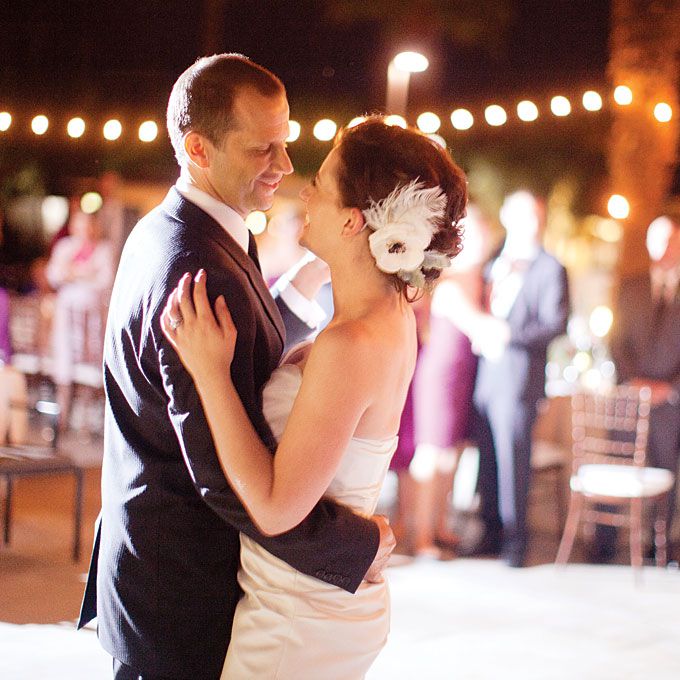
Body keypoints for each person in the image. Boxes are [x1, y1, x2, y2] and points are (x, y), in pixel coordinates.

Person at [77, 55, 395, 680]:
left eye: (285, 142)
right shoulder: (196, 269)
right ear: (198, 148)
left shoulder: (180, 227)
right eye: (261, 149)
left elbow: (239, 360)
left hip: (155, 572)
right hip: (180, 595)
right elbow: (221, 473)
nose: (285, 165)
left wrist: (296, 297)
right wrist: (353, 544)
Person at [161, 116, 467, 678]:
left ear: (352, 221)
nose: (305, 192)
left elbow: (276, 508)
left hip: (293, 622)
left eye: (321, 184)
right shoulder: (388, 315)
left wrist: (211, 374)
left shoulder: (351, 343)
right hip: (313, 602)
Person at [465, 190, 569, 567]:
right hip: (486, 376)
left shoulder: (550, 268)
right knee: (487, 458)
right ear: (508, 217)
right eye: (524, 215)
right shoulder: (493, 259)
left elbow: (555, 323)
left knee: (514, 460)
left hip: (519, 377)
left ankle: (516, 542)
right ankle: (488, 532)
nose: (532, 223)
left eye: (536, 216)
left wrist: (509, 334)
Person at [409, 205, 491, 555]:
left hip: (462, 379)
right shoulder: (452, 285)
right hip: (441, 379)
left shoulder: (478, 280)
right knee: (431, 454)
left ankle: (439, 525)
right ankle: (421, 536)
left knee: (450, 455)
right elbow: (479, 329)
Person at [600, 212, 680, 562]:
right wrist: (634, 382)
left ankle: (658, 547)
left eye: (671, 239)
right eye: (657, 239)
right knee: (617, 462)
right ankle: (603, 546)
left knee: (666, 472)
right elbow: (616, 341)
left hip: (671, 404)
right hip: (629, 399)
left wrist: (670, 388)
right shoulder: (630, 287)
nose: (663, 247)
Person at [45, 208, 114, 431]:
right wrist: (80, 273)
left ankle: (83, 420)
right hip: (66, 319)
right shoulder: (65, 247)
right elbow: (54, 274)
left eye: (88, 226)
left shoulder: (103, 250)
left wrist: (76, 273)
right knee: (64, 366)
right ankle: (61, 418)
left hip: (91, 320)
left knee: (89, 369)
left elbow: (105, 280)